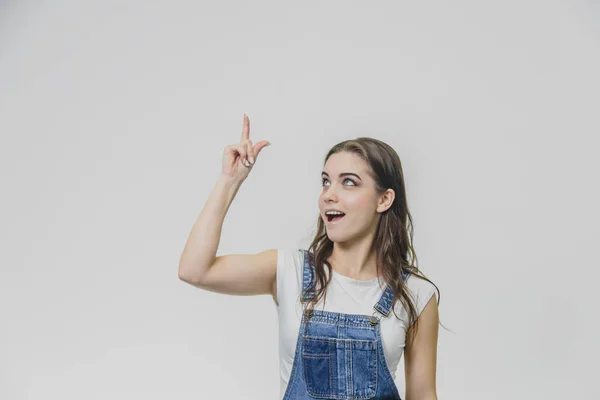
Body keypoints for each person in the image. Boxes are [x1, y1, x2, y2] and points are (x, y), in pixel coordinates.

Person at [178, 114, 441, 400]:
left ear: (384, 199)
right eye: (326, 182)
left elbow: (423, 395)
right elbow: (195, 270)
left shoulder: (415, 294)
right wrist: (230, 181)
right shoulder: (288, 271)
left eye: (349, 182)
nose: (329, 194)